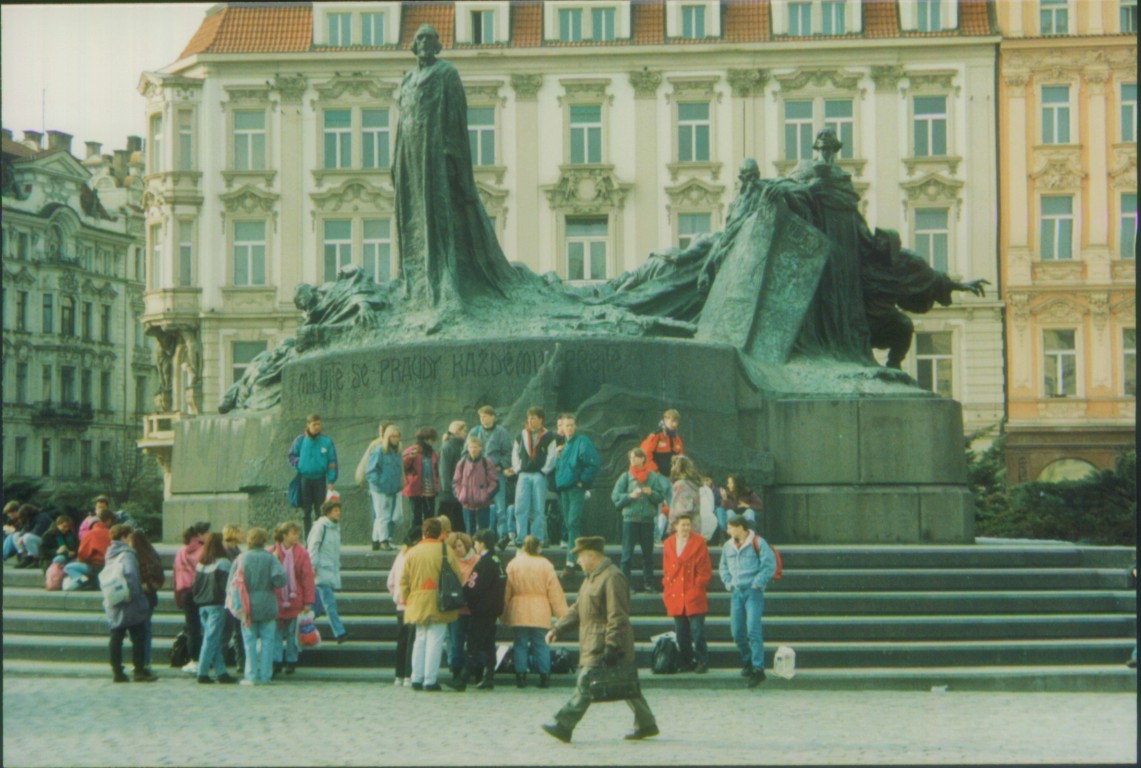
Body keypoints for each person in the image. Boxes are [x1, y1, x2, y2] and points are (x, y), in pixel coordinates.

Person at [391, 24, 519, 308]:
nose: (424, 42)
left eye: (429, 38)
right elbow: (402, 123)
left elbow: (455, 116)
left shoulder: (447, 74)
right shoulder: (407, 79)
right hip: (410, 156)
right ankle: (416, 280)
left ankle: (443, 279)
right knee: (412, 215)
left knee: (439, 213)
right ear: (413, 44)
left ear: (437, 45)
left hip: (434, 151)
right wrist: (396, 158)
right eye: (419, 37)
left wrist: (451, 153)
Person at [542, 536, 658, 743]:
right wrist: (557, 629)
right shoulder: (591, 578)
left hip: (605, 642)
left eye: (579, 557)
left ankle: (564, 725)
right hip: (593, 640)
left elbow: (618, 615)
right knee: (627, 683)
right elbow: (577, 609)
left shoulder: (613, 577)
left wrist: (612, 645)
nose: (577, 561)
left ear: (591, 555)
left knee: (586, 681)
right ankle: (647, 723)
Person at [399, 517, 463, 691]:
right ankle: (430, 679)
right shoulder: (445, 550)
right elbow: (457, 575)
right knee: (435, 639)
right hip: (439, 599)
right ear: (440, 533)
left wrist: (406, 598)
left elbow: (403, 580)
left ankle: (416, 677)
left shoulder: (412, 552)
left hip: (417, 600)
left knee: (420, 638)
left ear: (423, 532)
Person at [719, 514, 778, 689]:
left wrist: (757, 583)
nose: (728, 530)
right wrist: (728, 583)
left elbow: (769, 564)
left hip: (753, 592)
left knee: (753, 629)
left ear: (740, 527)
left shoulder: (757, 542)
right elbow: (723, 566)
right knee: (737, 631)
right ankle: (748, 661)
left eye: (730, 527)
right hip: (736, 592)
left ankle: (758, 669)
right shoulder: (727, 546)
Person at [502, 535, 568, 689]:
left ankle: (521, 677)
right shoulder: (546, 565)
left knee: (520, 644)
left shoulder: (513, 564)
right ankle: (544, 676)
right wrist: (562, 615)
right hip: (540, 608)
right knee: (541, 644)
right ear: (538, 547)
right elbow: (555, 592)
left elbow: (507, 591)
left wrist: (503, 611)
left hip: (518, 608)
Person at [449, 529, 506, 691]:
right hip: (494, 609)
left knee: (473, 644)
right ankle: (489, 677)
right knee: (488, 644)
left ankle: (462, 679)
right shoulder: (497, 561)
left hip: (482, 610)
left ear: (482, 543)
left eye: (476, 543)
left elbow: (473, 586)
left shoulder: (484, 563)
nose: (475, 546)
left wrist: (461, 597)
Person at [228, 527, 287, 685]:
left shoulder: (241, 558)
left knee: (249, 642)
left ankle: (251, 675)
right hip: (267, 603)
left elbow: (231, 583)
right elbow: (280, 580)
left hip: (247, 606)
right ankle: (266, 675)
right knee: (268, 641)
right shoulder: (270, 558)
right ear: (264, 541)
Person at [103, 524, 158, 683]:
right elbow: (132, 577)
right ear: (123, 537)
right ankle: (139, 670)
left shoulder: (110, 553)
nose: (131, 539)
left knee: (116, 634)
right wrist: (136, 595)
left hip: (114, 598)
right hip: (129, 600)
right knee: (139, 635)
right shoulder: (127, 554)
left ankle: (117, 671)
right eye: (129, 536)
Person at [611, 448, 669, 593]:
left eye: (636, 457)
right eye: (631, 458)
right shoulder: (626, 476)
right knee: (626, 555)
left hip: (647, 521)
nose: (633, 460)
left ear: (643, 459)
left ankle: (648, 584)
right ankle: (625, 585)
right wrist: (629, 496)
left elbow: (661, 496)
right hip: (630, 520)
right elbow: (615, 496)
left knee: (648, 555)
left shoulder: (653, 477)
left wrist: (651, 493)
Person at [661, 514, 712, 673]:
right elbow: (667, 567)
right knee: (681, 633)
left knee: (697, 632)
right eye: (683, 525)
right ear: (675, 526)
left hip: (692, 591)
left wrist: (697, 587)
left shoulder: (699, 542)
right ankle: (686, 661)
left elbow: (705, 569)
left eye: (688, 525)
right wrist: (667, 585)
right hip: (676, 592)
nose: (686, 528)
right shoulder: (668, 543)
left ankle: (702, 661)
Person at [553, 413, 600, 578]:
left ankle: (570, 562)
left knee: (573, 522)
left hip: (575, 488)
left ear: (575, 426)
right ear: (562, 427)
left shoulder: (582, 442)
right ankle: (580, 558)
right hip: (563, 488)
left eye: (572, 425)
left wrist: (583, 481)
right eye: (566, 425)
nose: (569, 428)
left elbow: (593, 463)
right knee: (570, 524)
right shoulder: (563, 445)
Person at [192, 533, 237, 684]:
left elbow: (195, 587)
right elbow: (227, 586)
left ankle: (221, 672)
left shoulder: (201, 563)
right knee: (211, 639)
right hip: (217, 605)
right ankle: (202, 672)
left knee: (213, 639)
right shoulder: (224, 563)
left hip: (202, 605)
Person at [511, 407, 558, 548]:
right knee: (520, 507)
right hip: (524, 475)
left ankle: (537, 538)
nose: (530, 421)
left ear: (541, 419)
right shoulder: (521, 435)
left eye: (534, 418)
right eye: (529, 418)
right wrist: (518, 469)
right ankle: (521, 538)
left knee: (538, 508)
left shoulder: (548, 436)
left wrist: (544, 471)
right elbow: (514, 454)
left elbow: (552, 455)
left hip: (539, 475)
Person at [273, 521, 315, 676]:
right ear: (284, 535)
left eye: (297, 533)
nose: (296, 536)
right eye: (293, 533)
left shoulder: (302, 553)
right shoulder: (272, 552)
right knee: (276, 632)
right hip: (277, 599)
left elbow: (307, 578)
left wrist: (308, 602)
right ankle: (276, 660)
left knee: (292, 632)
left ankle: (291, 661)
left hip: (295, 598)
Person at [468, 405, 513, 546]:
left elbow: (508, 452)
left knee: (500, 507)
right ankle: (481, 538)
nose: (483, 419)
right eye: (481, 416)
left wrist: (501, 464)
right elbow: (465, 452)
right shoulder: (474, 432)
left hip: (496, 474)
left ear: (493, 416)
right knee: (479, 506)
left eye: (486, 416)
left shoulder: (502, 432)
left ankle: (502, 537)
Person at [287, 413, 338, 537]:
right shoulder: (300, 440)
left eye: (319, 424)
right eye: (314, 424)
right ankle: (308, 539)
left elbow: (332, 462)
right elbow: (291, 456)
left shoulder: (326, 442)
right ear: (308, 425)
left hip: (320, 479)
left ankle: (319, 537)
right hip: (305, 479)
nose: (317, 427)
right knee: (306, 512)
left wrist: (331, 481)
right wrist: (300, 464)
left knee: (320, 511)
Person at [308, 500, 348, 644]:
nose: (338, 513)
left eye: (339, 510)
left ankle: (304, 625)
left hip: (329, 570)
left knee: (317, 606)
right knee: (329, 602)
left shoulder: (335, 528)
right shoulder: (321, 527)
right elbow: (313, 546)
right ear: (328, 512)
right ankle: (340, 632)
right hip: (321, 571)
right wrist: (312, 566)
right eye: (335, 510)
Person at [172, 521, 210, 675]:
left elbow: (175, 574)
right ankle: (201, 658)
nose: (209, 535)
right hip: (199, 591)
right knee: (203, 626)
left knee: (191, 626)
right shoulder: (203, 550)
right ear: (199, 535)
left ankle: (193, 659)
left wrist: (177, 595)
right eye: (206, 532)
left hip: (185, 592)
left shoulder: (181, 551)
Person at [128, 529, 164, 676]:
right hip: (148, 596)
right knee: (144, 630)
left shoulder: (137, 557)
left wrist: (145, 587)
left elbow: (154, 578)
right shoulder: (151, 554)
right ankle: (144, 660)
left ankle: (142, 661)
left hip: (143, 596)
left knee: (142, 630)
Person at [386, 531, 419, 687]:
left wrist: (396, 597)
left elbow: (390, 582)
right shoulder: (415, 557)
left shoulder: (400, 556)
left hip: (400, 605)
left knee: (402, 641)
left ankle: (398, 675)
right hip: (413, 603)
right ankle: (408, 674)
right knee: (412, 641)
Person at [445, 532, 478, 682]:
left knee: (474, 641)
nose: (458, 549)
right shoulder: (450, 563)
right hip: (457, 609)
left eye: (459, 545)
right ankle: (456, 671)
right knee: (456, 642)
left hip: (473, 608)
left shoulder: (477, 561)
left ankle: (476, 670)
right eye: (454, 547)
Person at [366, 424, 404, 551]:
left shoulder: (396, 453)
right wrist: (380, 483)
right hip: (380, 489)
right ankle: (384, 540)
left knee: (382, 516)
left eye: (397, 436)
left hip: (391, 489)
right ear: (387, 437)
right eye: (392, 436)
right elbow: (370, 471)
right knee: (383, 515)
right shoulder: (379, 451)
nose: (395, 439)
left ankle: (375, 540)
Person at [453, 435, 499, 536]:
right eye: (471, 447)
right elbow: (456, 482)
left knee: (483, 532)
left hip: (483, 505)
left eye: (475, 447)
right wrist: (460, 495)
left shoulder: (486, 463)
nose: (473, 449)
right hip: (467, 504)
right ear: (467, 448)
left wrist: (486, 495)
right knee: (469, 532)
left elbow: (494, 482)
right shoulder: (462, 463)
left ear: (480, 448)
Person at [402, 426, 440, 533]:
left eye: (431, 439)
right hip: (415, 489)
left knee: (430, 517)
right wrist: (410, 457)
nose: (430, 442)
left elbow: (436, 471)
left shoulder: (433, 453)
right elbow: (402, 466)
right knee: (416, 517)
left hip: (430, 490)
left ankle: (428, 537)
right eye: (428, 439)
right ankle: (415, 539)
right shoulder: (412, 450)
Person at [65, 506, 114, 588]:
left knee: (67, 567)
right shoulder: (110, 533)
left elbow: (82, 555)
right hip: (109, 566)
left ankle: (84, 581)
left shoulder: (89, 534)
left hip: (95, 567)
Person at [437, 420, 467, 533]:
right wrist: (448, 488)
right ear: (457, 432)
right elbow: (444, 470)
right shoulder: (448, 446)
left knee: (458, 522)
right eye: (464, 430)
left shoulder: (461, 446)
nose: (465, 433)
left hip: (458, 491)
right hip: (449, 493)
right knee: (447, 521)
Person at [667, 455, 703, 536]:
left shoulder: (681, 485)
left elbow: (682, 510)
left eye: (673, 465)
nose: (671, 469)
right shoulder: (693, 485)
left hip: (683, 529)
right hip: (694, 526)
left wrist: (672, 526)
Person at [13, 504, 53, 568]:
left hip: (46, 541)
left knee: (27, 537)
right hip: (38, 539)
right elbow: (25, 528)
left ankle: (36, 559)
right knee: (16, 535)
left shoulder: (42, 517)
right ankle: (25, 557)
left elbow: (38, 531)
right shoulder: (31, 518)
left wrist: (23, 537)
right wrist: (21, 536)